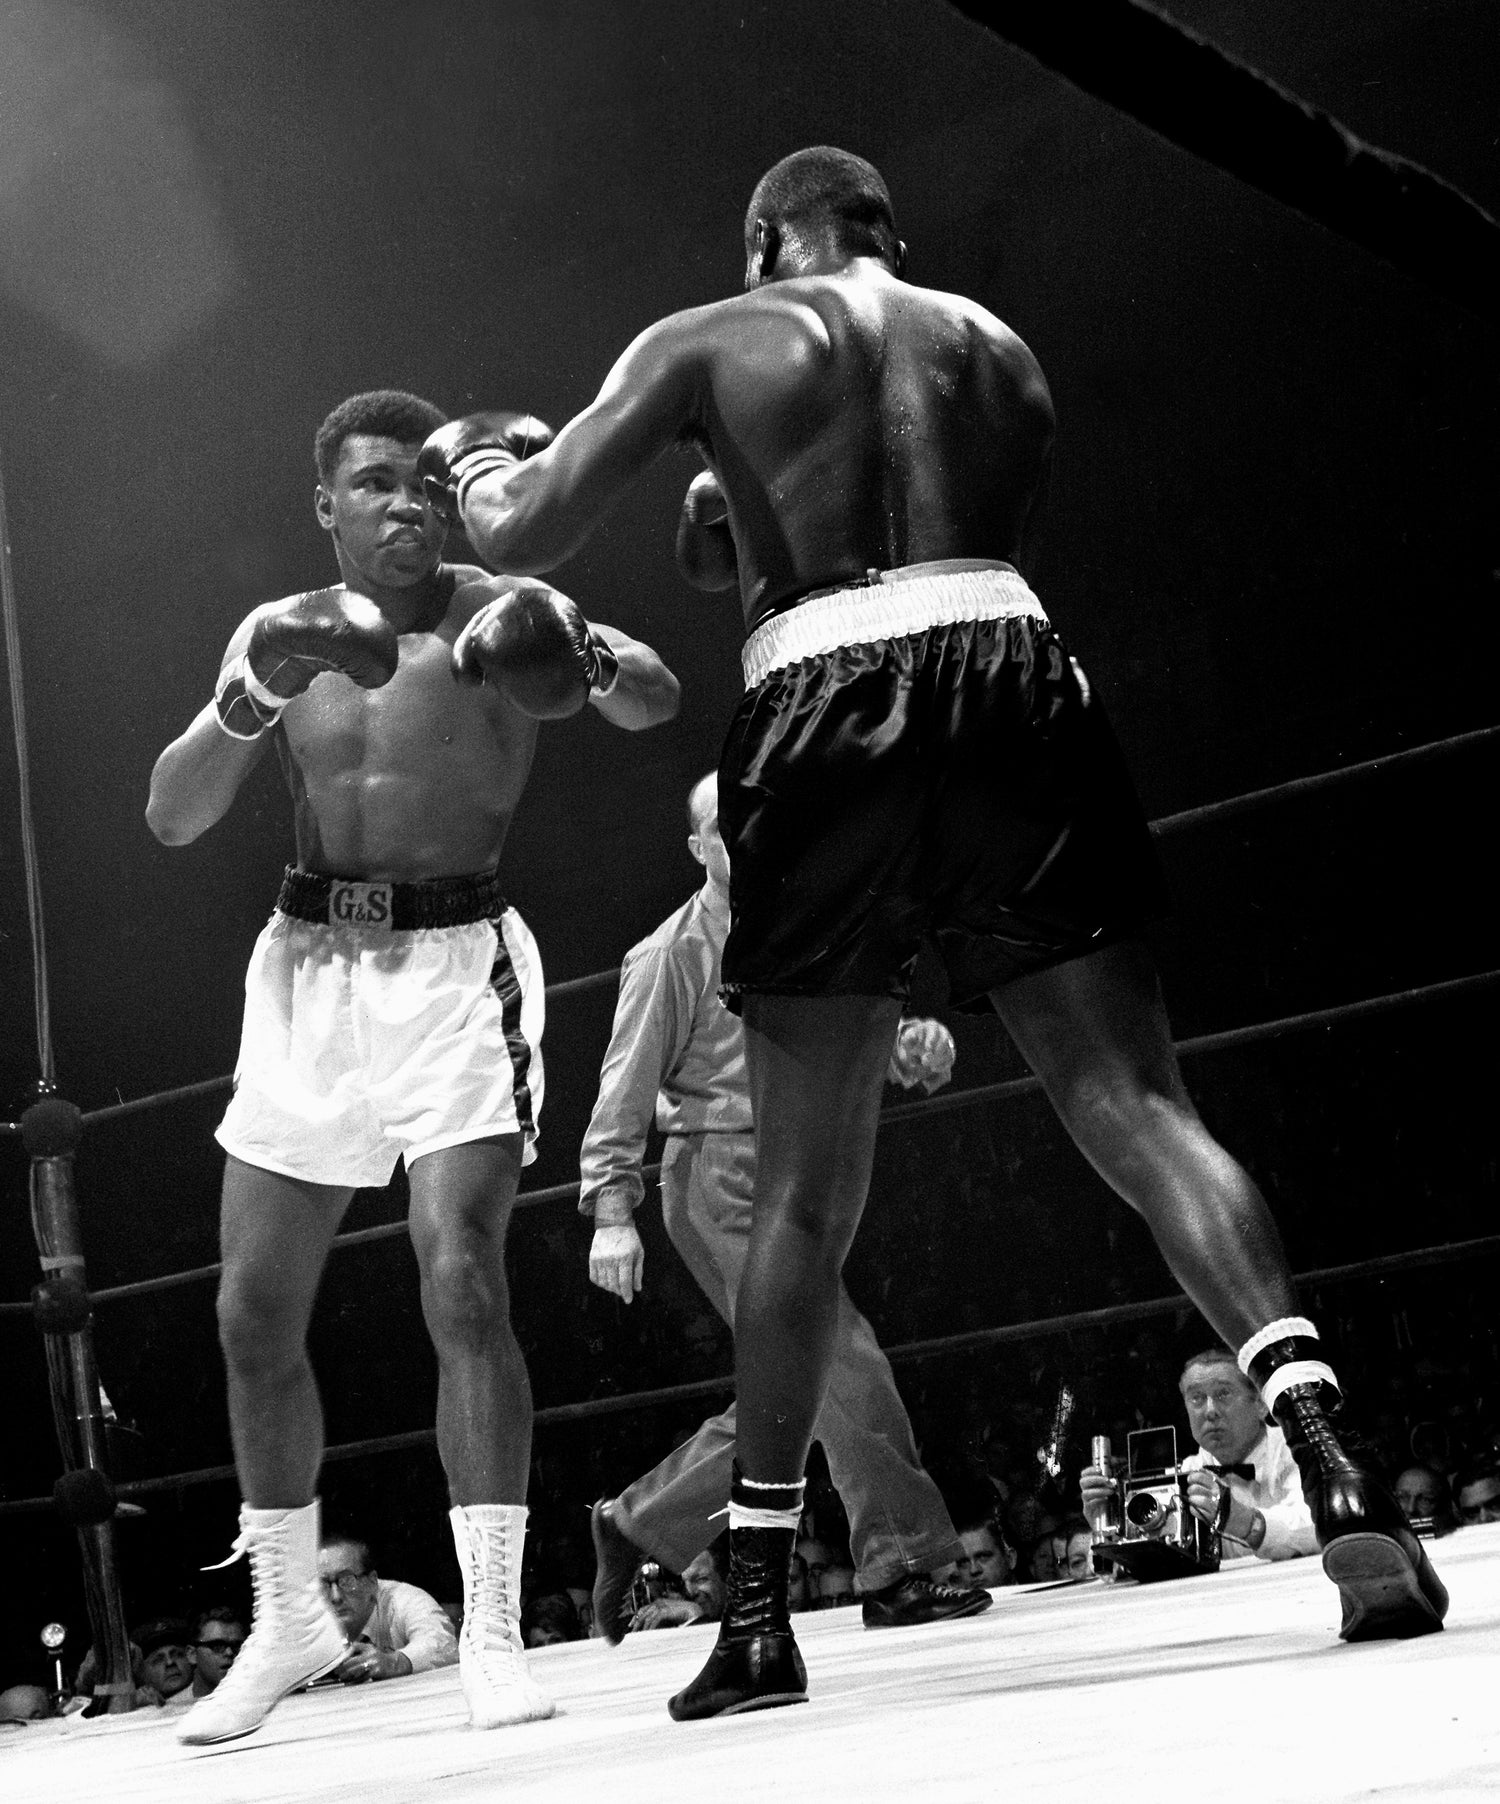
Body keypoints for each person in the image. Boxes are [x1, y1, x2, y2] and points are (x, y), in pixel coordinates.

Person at [420, 147, 1447, 1715]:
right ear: (894, 236)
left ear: (765, 242)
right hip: (1017, 665)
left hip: (827, 698)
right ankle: (1330, 1450)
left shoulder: (709, 336)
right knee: (1140, 1105)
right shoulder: (998, 351)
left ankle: (757, 1613)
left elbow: (547, 528)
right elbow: (907, 539)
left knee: (806, 1197)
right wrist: (739, 524)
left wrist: (478, 473)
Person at [146, 388, 679, 1744]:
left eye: (422, 484)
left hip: (458, 976)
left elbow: (657, 696)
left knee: (464, 1278)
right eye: (375, 484)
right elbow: (171, 810)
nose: (407, 504)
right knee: (249, 1316)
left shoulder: (502, 608)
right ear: (327, 504)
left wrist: (585, 662)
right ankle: (287, 1617)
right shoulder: (278, 634)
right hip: (308, 971)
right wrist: (255, 683)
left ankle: (492, 1628)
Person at [580, 774, 990, 1642]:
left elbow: (826, 1052)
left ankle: (641, 1521)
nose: (748, 841)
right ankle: (904, 1565)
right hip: (720, 1173)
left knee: (794, 1380)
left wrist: (904, 1049)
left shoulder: (808, 926)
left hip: (806, 1161)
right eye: (725, 831)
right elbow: (623, 1089)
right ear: (700, 849)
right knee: (841, 1356)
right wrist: (612, 1209)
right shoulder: (672, 953)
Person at [1081, 1348, 1319, 1563]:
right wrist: (1108, 1525)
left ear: (1260, 1403)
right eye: (1197, 1399)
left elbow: (1317, 1524)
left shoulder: (1297, 1449)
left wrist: (1248, 1523)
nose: (1210, 1411)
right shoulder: (1187, 1473)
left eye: (1223, 1394)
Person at [317, 1531, 459, 1681]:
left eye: (347, 1581)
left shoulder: (404, 1600)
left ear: (372, 1582)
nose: (336, 1597)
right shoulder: (304, 1614)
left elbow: (443, 1644)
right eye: (323, 1585)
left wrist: (395, 1663)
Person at [185, 1608, 247, 1698]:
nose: (229, 1652)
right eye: (217, 1646)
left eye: (237, 1646)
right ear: (192, 1654)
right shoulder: (172, 1709)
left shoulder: (262, 1701)